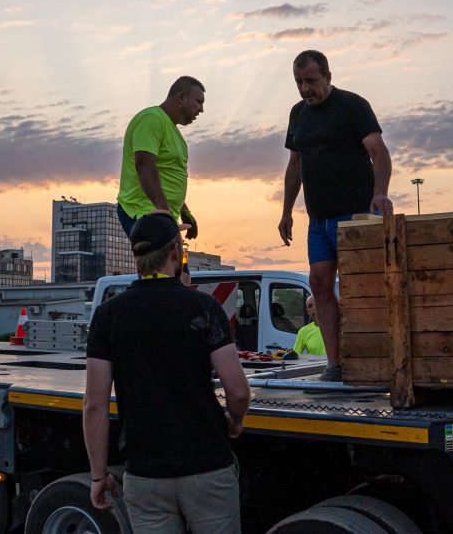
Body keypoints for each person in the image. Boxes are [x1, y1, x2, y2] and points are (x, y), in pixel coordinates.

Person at [83, 212, 250, 533]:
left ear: (136, 257)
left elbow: (94, 404)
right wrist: (236, 419)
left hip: (146, 475)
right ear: (176, 252)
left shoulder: (107, 316)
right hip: (207, 467)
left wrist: (98, 474)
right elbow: (238, 391)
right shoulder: (203, 307)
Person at [278, 50, 393, 382]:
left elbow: (379, 153)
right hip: (319, 219)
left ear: (328, 76)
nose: (305, 89)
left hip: (355, 216)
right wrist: (286, 212)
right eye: (299, 82)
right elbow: (295, 165)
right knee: (319, 283)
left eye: (311, 81)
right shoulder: (297, 114)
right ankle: (335, 364)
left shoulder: (353, 106)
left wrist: (380, 193)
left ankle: (376, 359)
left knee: (362, 287)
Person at [116, 76, 204, 239]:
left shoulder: (174, 133)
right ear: (182, 98)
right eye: (198, 102)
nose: (201, 109)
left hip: (162, 215)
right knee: (161, 257)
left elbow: (166, 174)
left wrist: (183, 210)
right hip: (145, 213)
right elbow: (144, 166)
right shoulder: (152, 119)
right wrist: (164, 212)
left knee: (176, 257)